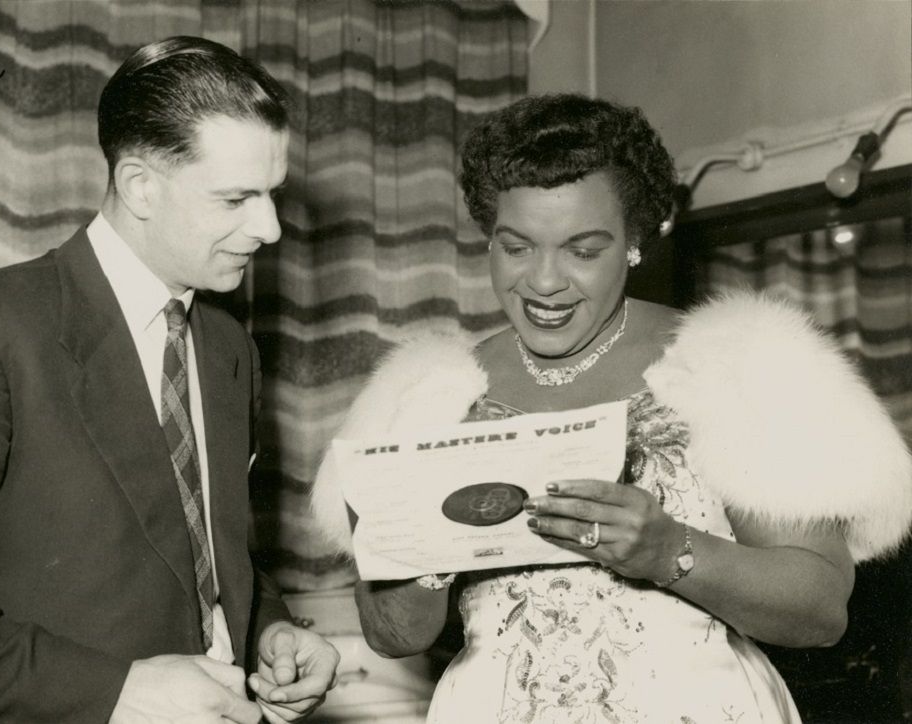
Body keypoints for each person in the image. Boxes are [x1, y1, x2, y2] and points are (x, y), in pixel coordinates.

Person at [310, 94, 912, 722]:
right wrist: (432, 541)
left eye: (583, 250)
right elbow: (393, 635)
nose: (544, 282)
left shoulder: (733, 365)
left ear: (634, 242)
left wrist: (669, 551)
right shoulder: (426, 397)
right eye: (516, 247)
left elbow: (820, 611)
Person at [0, 36, 339, 724]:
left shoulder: (227, 346)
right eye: (237, 198)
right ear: (140, 185)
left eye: (272, 195)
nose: (269, 228)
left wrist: (269, 630)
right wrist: (114, 691)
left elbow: (197, 548)